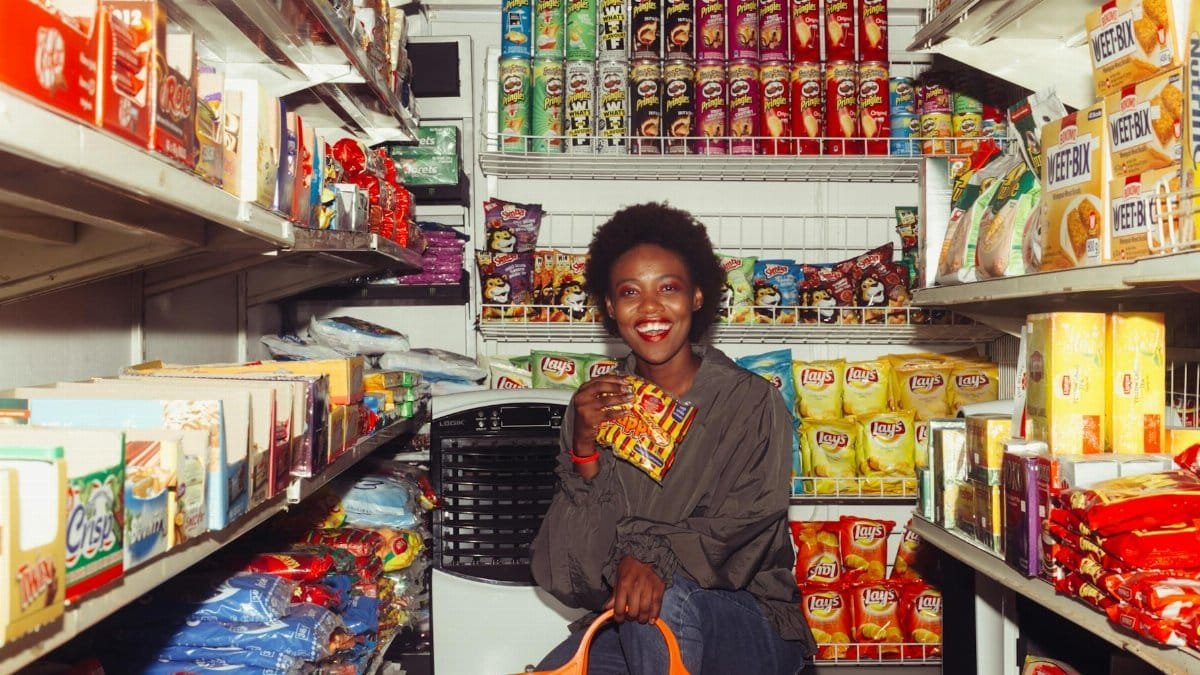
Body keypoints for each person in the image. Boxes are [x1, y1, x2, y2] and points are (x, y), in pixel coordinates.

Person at [530, 203, 815, 674]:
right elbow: (572, 576)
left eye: (668, 288)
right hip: (631, 621)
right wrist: (583, 452)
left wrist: (651, 558)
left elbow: (743, 528)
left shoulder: (749, 402)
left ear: (698, 296)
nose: (650, 309)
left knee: (658, 600)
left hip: (748, 621)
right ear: (609, 306)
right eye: (629, 292)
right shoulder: (593, 409)